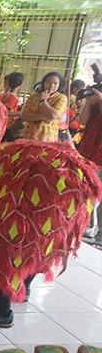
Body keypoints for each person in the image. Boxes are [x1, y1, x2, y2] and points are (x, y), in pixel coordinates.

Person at [77, 86, 102, 243]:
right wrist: (88, 102)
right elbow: (83, 121)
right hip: (88, 153)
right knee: (84, 191)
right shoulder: (93, 105)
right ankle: (81, 227)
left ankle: (100, 234)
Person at [20, 71, 68, 142]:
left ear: (59, 84)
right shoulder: (33, 97)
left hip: (47, 138)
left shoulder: (61, 98)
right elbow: (23, 115)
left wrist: (43, 100)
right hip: (28, 136)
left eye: (55, 83)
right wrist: (42, 117)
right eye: (49, 82)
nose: (52, 85)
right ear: (44, 83)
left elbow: (53, 116)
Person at [0, 72, 24, 141]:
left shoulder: (3, 95)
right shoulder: (13, 97)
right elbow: (6, 112)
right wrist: (18, 113)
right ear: (20, 84)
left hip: (1, 124)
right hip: (7, 126)